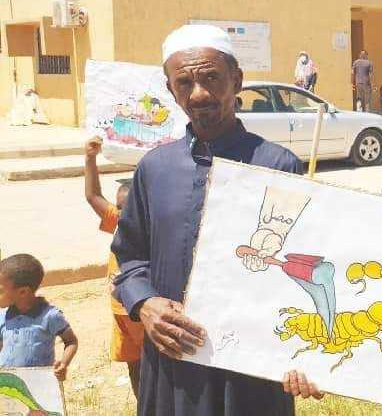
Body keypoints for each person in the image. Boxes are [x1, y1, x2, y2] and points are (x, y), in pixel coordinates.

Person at [111, 25, 324, 415]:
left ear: (236, 80)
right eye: (184, 82)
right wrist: (145, 304)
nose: (199, 94)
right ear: (170, 89)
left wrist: (305, 353)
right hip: (172, 365)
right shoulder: (155, 169)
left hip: (252, 369)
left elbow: (305, 269)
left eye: (211, 78)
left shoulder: (278, 166)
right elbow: (130, 257)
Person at [84, 136, 142, 397]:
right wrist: (90, 158)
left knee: (152, 365)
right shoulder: (117, 222)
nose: (120, 214)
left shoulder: (151, 233)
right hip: (120, 313)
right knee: (135, 367)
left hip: (140, 311)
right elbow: (93, 196)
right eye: (118, 208)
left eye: (126, 209)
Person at [0, 254, 78, 382]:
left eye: (0, 291)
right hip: (8, 385)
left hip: (40, 385)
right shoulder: (2, 316)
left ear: (23, 292)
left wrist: (63, 364)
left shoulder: (49, 316)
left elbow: (71, 341)